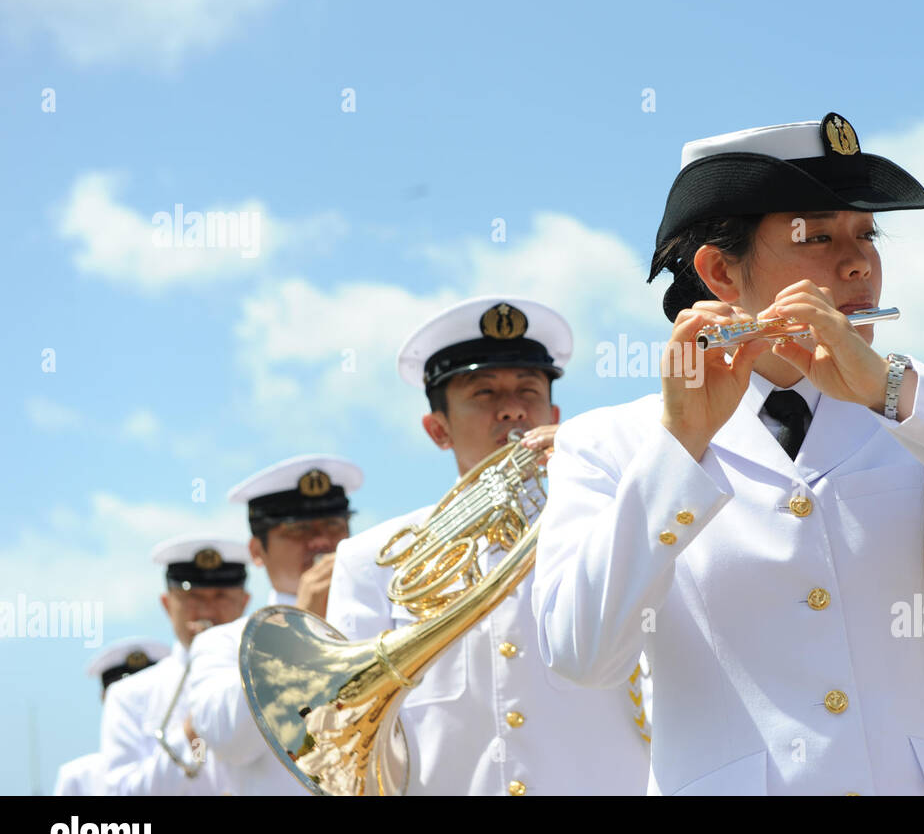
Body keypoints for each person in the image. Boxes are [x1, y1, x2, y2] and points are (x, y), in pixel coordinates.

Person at [532, 111, 924, 795]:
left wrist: (896, 391)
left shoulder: (917, 418)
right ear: (721, 270)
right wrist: (680, 447)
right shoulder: (613, 445)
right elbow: (580, 653)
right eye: (818, 235)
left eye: (867, 234)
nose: (858, 260)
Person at [326, 296, 651, 795]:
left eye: (528, 390)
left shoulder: (614, 524)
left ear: (555, 413)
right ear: (438, 430)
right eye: (483, 392)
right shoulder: (370, 561)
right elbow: (353, 740)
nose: (513, 408)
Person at [186, 455, 362, 795]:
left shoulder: (382, 615)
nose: (321, 542)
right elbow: (229, 742)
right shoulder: (221, 643)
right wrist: (299, 626)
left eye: (334, 526)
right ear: (256, 551)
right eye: (298, 530)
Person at [99, 536, 250, 795]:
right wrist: (192, 738)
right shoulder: (129, 695)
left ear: (244, 602)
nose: (207, 610)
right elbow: (121, 792)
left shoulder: (264, 674)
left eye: (221, 595)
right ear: (167, 604)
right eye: (192, 596)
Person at [53, 637, 168, 796]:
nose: (135, 704)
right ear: (105, 697)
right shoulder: (78, 778)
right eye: (125, 695)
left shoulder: (196, 757)